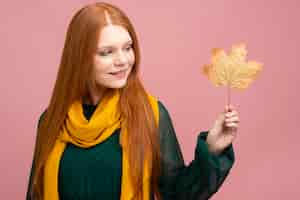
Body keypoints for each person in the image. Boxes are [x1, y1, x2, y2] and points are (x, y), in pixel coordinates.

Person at [26, 2, 240, 200]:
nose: (122, 61)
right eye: (106, 52)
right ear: (79, 56)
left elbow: (177, 193)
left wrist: (212, 150)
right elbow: (36, 193)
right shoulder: (51, 120)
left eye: (128, 48)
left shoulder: (151, 113)